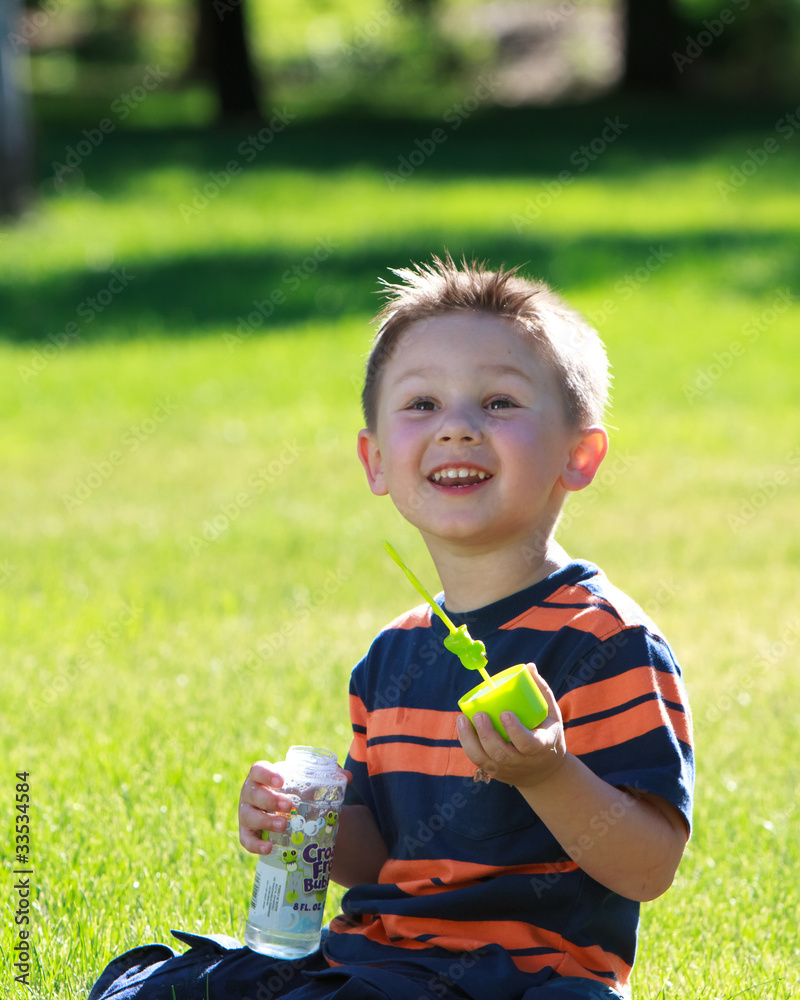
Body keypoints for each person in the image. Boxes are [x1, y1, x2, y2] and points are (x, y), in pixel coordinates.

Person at [89, 256, 694, 1000]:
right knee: (159, 987)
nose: (458, 429)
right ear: (376, 461)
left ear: (580, 455)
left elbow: (648, 867)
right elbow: (381, 862)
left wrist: (547, 774)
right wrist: (304, 823)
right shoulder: (396, 653)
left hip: (528, 978)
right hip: (379, 960)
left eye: (500, 402)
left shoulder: (605, 641)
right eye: (422, 405)